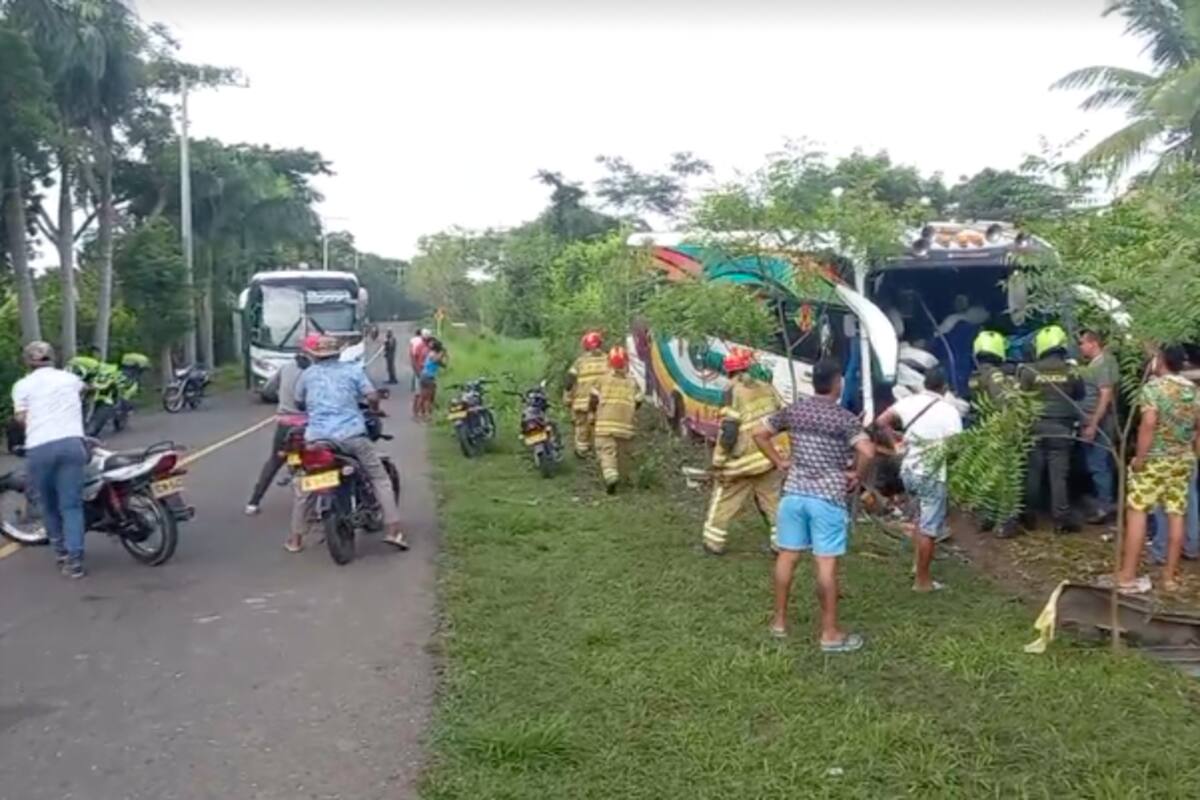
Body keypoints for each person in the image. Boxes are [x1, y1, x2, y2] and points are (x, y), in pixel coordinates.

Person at [754, 358, 875, 652]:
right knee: (825, 563)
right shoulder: (844, 419)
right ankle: (830, 634)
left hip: (793, 494)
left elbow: (759, 433)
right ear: (837, 383)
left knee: (787, 557)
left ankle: (779, 622)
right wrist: (856, 475)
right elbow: (868, 450)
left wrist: (779, 461)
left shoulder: (795, 411)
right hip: (827, 498)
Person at [293, 335, 406, 551]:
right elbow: (371, 395)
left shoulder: (307, 375)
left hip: (317, 440)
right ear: (338, 353)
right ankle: (394, 532)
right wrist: (373, 407)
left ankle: (295, 539)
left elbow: (299, 402)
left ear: (315, 356)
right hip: (352, 436)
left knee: (304, 484)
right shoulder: (352, 370)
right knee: (379, 478)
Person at [1115, 345, 1200, 594]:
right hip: (1183, 459)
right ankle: (1169, 578)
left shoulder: (1153, 389)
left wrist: (1140, 458)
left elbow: (1149, 423)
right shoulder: (1192, 391)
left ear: (1161, 361)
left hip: (1155, 459)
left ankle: (1128, 574)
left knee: (1138, 511)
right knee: (1176, 514)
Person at [874, 367, 962, 591]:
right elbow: (956, 447)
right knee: (929, 528)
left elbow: (881, 421)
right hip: (931, 473)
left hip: (909, 470)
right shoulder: (950, 412)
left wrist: (895, 440)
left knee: (918, 520)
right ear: (944, 387)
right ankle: (922, 581)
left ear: (925, 384)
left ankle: (917, 565)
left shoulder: (910, 402)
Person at [12, 341, 88, 579]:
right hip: (72, 444)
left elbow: (21, 419)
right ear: (53, 357)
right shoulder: (68, 378)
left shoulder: (22, 385)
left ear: (27, 361)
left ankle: (61, 553)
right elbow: (85, 389)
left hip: (40, 448)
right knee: (72, 505)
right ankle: (76, 561)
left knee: (49, 505)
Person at [702, 348, 784, 555]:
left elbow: (729, 431)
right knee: (773, 501)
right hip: (768, 456)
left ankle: (713, 542)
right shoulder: (767, 388)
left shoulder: (731, 391)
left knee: (725, 499)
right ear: (748, 367)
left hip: (741, 461)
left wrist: (718, 460)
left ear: (728, 370)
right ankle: (781, 543)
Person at [1018, 324, 1084, 534]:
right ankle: (1061, 520)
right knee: (1058, 475)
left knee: (1033, 473)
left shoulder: (1028, 371)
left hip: (1035, 427)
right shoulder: (1071, 370)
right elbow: (1080, 394)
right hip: (1061, 429)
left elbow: (1021, 399)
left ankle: (1028, 516)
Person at [245, 335, 316, 516]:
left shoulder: (285, 368)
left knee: (275, 461)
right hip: (311, 424)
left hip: (286, 426)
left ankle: (253, 502)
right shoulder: (317, 371)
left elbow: (268, 389)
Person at [967, 330, 1022, 538]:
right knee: (1007, 477)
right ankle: (1007, 522)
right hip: (999, 429)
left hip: (982, 429)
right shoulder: (996, 375)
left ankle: (986, 517)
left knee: (986, 476)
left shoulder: (975, 376)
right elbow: (1003, 402)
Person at [1076, 330, 1119, 524]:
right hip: (1092, 420)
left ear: (1093, 343)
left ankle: (1105, 506)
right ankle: (1102, 503)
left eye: (1082, 343)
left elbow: (1106, 394)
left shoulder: (1104, 363)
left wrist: (1093, 423)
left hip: (1100, 422)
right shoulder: (1096, 364)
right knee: (1095, 464)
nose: (1080, 347)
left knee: (1098, 464)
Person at [590, 346, 642, 495]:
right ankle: (624, 479)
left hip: (604, 425)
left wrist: (592, 415)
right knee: (622, 453)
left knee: (606, 452)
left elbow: (593, 400)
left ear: (609, 363)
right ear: (626, 362)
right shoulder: (633, 382)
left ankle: (611, 476)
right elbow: (638, 402)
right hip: (625, 426)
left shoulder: (602, 379)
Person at [565, 331, 608, 458]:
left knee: (582, 426)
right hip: (602, 402)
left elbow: (569, 380)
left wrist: (567, 396)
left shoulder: (580, 362)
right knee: (600, 428)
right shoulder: (608, 360)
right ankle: (601, 454)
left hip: (581, 402)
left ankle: (582, 452)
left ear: (585, 346)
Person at [414, 339, 447, 421]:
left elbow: (442, 364)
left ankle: (418, 414)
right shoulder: (433, 355)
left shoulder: (431, 354)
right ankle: (427, 415)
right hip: (428, 377)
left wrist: (444, 357)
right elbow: (436, 360)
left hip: (424, 376)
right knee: (428, 398)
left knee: (423, 396)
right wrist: (443, 353)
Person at [408, 328, 431, 392]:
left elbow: (411, 350)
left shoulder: (413, 340)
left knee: (415, 372)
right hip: (422, 359)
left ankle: (415, 388)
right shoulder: (423, 342)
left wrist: (411, 357)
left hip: (415, 357)